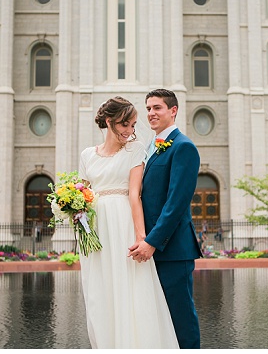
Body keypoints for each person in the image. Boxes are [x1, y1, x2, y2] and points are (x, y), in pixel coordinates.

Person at [78, 97, 178, 348]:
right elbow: (84, 194)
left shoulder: (135, 149)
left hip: (122, 222)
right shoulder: (87, 155)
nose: (130, 131)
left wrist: (141, 237)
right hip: (96, 230)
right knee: (99, 291)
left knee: (129, 288)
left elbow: (135, 194)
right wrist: (72, 210)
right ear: (110, 122)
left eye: (133, 125)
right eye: (126, 125)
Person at [127, 89, 203, 349]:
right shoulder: (151, 146)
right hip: (152, 248)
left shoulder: (184, 147)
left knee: (181, 318)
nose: (151, 113)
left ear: (173, 111)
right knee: (158, 318)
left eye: (157, 108)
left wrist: (152, 242)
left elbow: (176, 203)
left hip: (172, 250)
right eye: (148, 108)